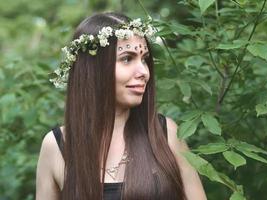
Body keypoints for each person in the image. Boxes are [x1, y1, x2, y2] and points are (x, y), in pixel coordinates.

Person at [36, 12, 207, 200]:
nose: (144, 71)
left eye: (144, 59)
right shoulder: (57, 146)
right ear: (93, 69)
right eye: (127, 58)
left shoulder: (166, 134)